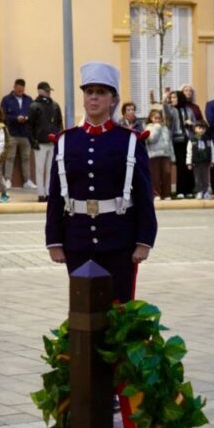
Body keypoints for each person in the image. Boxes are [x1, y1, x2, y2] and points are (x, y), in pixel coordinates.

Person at [45, 61, 157, 304]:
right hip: (78, 239)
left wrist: (144, 240)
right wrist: (54, 241)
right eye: (89, 92)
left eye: (101, 92)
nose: (94, 98)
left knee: (119, 309)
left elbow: (143, 194)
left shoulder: (129, 141)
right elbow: (56, 195)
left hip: (119, 240)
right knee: (83, 310)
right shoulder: (66, 141)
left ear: (113, 99)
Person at [28, 81, 64, 203]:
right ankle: (41, 193)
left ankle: (49, 192)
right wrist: (33, 142)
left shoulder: (55, 105)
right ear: (40, 91)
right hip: (40, 143)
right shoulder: (34, 106)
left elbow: (59, 123)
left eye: (49, 90)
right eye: (46, 90)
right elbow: (29, 126)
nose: (48, 92)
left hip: (52, 142)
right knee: (40, 169)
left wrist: (59, 138)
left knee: (50, 169)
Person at [2, 78, 34, 189]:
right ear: (14, 87)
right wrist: (15, 118)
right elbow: (3, 116)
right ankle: (8, 180)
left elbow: (33, 114)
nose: (20, 92)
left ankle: (27, 181)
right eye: (18, 90)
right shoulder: (6, 100)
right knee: (10, 157)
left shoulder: (29, 100)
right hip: (12, 133)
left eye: (22, 90)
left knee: (26, 158)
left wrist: (26, 118)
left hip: (25, 134)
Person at [164, 90, 193, 198]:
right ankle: (180, 190)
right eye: (171, 98)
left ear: (180, 98)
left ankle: (189, 190)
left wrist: (191, 123)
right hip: (177, 140)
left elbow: (195, 124)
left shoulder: (188, 110)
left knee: (189, 165)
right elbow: (167, 112)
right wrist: (164, 101)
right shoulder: (172, 110)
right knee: (180, 166)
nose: (172, 99)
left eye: (174, 97)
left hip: (188, 139)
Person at [144, 106, 173, 200]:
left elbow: (169, 142)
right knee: (155, 176)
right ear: (151, 118)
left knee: (167, 174)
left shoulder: (165, 127)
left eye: (159, 117)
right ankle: (156, 194)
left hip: (165, 154)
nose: (157, 119)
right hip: (154, 154)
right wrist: (157, 127)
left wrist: (172, 156)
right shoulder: (149, 127)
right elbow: (151, 140)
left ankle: (167, 194)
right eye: (155, 118)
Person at [188, 119, 214, 199]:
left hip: (205, 162)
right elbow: (189, 151)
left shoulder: (208, 139)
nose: (201, 130)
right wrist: (189, 162)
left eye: (203, 128)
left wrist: (212, 161)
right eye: (199, 128)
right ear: (195, 129)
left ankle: (206, 191)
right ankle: (199, 191)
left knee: (205, 177)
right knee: (197, 177)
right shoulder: (192, 140)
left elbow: (212, 150)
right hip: (196, 162)